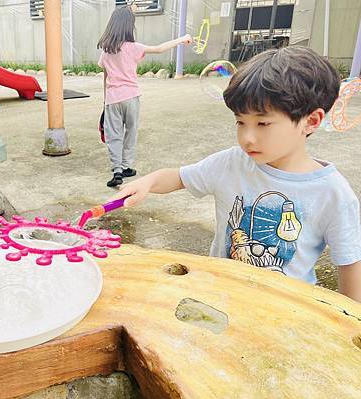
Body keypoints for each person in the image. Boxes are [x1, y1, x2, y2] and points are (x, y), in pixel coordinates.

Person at [108, 46, 361, 302]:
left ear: (311, 121)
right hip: (220, 295)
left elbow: (350, 265)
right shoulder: (231, 162)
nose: (247, 138)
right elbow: (178, 177)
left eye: (263, 123)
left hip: (286, 310)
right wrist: (148, 182)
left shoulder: (333, 194)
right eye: (241, 122)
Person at [97, 6, 192, 188]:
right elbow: (159, 48)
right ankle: (126, 166)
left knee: (114, 136)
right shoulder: (134, 47)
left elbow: (105, 76)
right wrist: (182, 39)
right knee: (131, 132)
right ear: (129, 26)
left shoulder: (106, 50)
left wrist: (105, 100)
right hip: (131, 97)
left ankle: (117, 171)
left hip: (112, 98)